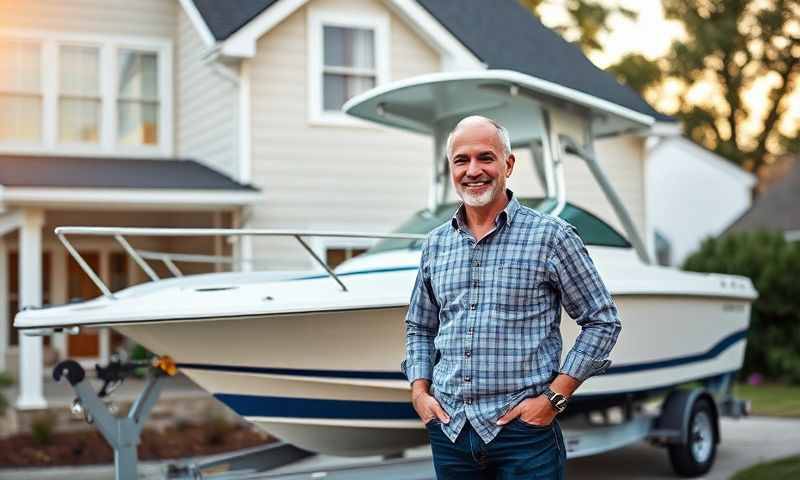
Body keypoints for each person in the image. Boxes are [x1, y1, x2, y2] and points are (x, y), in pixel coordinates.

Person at [401, 115, 622, 479]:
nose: (473, 170)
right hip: (451, 433)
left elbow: (602, 320)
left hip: (526, 437)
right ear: (451, 169)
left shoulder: (551, 236)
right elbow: (419, 326)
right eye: (462, 160)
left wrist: (554, 399)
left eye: (485, 157)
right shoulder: (436, 244)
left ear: (508, 164)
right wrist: (420, 393)